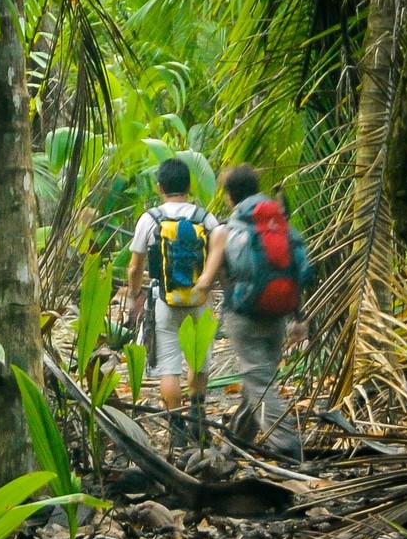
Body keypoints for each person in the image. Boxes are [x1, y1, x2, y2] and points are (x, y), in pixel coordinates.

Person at [196, 163, 312, 462]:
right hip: (279, 312)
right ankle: (237, 439)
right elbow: (297, 268)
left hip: (244, 313)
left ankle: (285, 442)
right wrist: (298, 318)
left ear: (228, 195)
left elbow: (208, 280)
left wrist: (192, 292)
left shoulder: (226, 229)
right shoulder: (280, 224)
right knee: (259, 375)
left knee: (259, 380)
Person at [124, 158, 221, 438]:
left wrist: (134, 295)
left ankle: (176, 426)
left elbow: (134, 267)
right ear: (189, 186)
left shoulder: (150, 219)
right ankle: (198, 417)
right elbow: (217, 257)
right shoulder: (205, 218)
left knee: (170, 366)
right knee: (198, 359)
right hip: (200, 300)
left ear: (160, 187)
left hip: (163, 301)